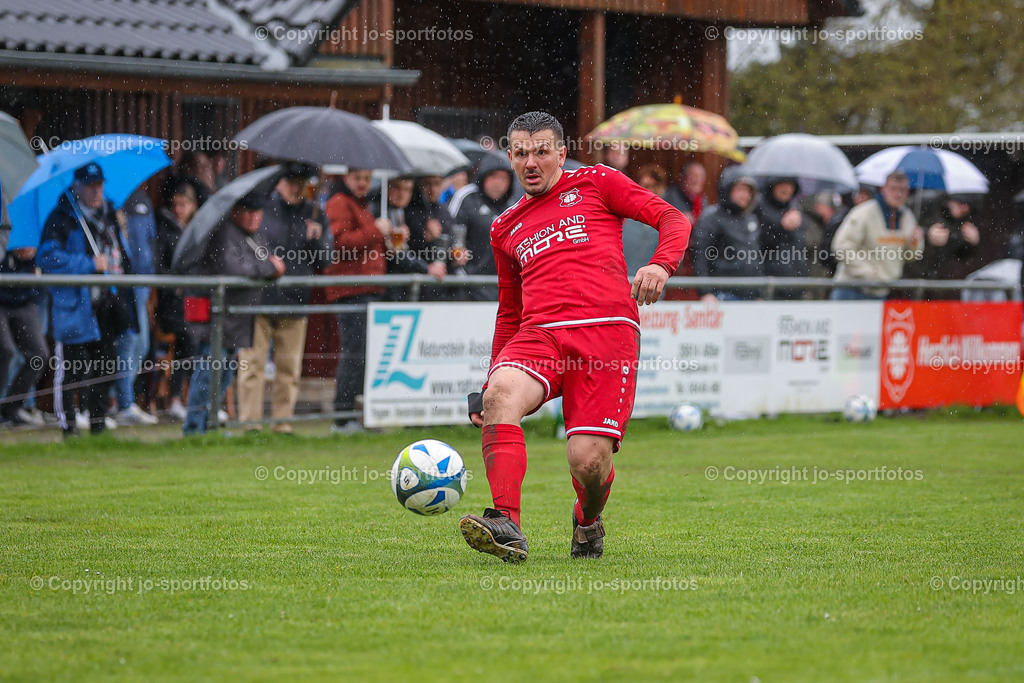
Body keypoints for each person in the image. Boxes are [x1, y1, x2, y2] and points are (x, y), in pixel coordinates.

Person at [459, 111, 690, 563]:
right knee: (501, 395)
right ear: (509, 156)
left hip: (606, 336)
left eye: (542, 151)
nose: (531, 162)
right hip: (539, 334)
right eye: (521, 153)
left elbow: (671, 217)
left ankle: (588, 520)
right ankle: (506, 522)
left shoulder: (597, 182)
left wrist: (661, 264)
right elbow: (510, 312)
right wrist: (490, 379)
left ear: (561, 153)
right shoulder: (504, 226)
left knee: (588, 462)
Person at [38, 163, 137, 437]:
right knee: (72, 370)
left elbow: (121, 255)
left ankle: (98, 426)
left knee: (105, 367)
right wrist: (88, 263)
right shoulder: (61, 218)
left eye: (100, 184)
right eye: (91, 185)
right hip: (75, 308)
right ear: (76, 186)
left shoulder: (110, 215)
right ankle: (68, 428)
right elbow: (47, 258)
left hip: (106, 305)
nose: (96, 190)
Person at [182, 193, 285, 436]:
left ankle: (209, 425)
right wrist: (270, 268)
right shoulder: (223, 233)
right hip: (216, 319)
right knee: (207, 376)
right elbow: (234, 269)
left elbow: (257, 262)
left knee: (224, 376)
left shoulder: (255, 235)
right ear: (236, 211)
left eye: (257, 212)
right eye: (248, 211)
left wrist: (267, 267)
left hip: (236, 321)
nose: (253, 217)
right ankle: (194, 430)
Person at [236, 163, 327, 433]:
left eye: (301, 181)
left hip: (295, 301)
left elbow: (326, 260)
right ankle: (250, 425)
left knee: (289, 368)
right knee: (252, 365)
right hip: (259, 300)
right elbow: (247, 245)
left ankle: (282, 424)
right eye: (291, 181)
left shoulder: (315, 215)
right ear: (279, 182)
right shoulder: (262, 210)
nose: (296, 186)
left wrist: (317, 241)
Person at [323, 169, 395, 433]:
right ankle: (343, 418)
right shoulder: (340, 203)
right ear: (345, 177)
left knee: (363, 355)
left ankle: (355, 415)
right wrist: (377, 230)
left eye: (366, 178)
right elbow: (341, 243)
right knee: (354, 355)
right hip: (351, 290)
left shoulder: (359, 204)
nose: (363, 183)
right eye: (357, 178)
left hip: (365, 288)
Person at [831, 171, 923, 300]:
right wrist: (868, 273)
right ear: (883, 189)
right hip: (852, 288)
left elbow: (912, 256)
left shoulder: (907, 217)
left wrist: (915, 242)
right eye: (893, 189)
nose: (898, 194)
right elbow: (842, 247)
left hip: (881, 291)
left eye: (902, 189)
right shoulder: (863, 213)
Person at [113, 188, 159, 425]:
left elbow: (151, 240)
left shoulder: (142, 198)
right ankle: (123, 403)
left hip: (142, 281)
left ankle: (122, 400)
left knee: (141, 345)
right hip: (121, 283)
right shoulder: (109, 200)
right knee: (128, 342)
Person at [154, 182, 198, 420]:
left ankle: (196, 398)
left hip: (195, 300)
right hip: (173, 304)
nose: (179, 209)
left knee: (199, 340)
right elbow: (159, 268)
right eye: (176, 204)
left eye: (184, 204)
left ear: (193, 206)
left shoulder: (198, 231)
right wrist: (176, 285)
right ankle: (175, 398)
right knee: (187, 340)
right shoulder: (166, 231)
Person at [0, 228, 49, 426]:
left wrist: (32, 260)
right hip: (2, 301)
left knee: (39, 354)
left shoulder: (36, 234)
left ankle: (12, 406)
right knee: (5, 351)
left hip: (24, 301)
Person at [690, 167, 762, 301]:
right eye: (740, 189)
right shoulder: (711, 217)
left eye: (748, 190)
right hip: (722, 295)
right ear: (727, 189)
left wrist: (758, 293)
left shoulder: (751, 219)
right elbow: (700, 256)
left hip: (750, 296)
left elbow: (755, 258)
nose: (744, 195)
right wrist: (705, 292)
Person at [449, 154, 516, 300]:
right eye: (493, 177)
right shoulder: (466, 197)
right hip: (468, 286)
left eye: (503, 178)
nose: (498, 183)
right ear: (483, 177)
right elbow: (451, 229)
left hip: (502, 289)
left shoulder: (513, 206)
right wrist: (455, 253)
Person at [378, 176, 446, 302]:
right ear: (387, 187)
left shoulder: (405, 212)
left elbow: (408, 251)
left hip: (399, 287)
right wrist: (426, 268)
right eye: (397, 187)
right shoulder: (380, 211)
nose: (402, 194)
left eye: (407, 189)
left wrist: (425, 238)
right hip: (385, 287)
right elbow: (395, 255)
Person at [904, 194, 981, 289]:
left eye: (969, 206)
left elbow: (960, 254)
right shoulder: (927, 203)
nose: (965, 208)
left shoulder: (961, 221)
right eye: (961, 203)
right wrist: (926, 235)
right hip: (907, 276)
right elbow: (905, 232)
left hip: (935, 279)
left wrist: (972, 243)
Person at [756, 177, 806, 299]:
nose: (786, 189)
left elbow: (800, 246)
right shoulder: (758, 207)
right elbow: (758, 244)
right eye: (781, 183)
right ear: (772, 186)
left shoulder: (796, 209)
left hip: (795, 284)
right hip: (769, 285)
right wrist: (782, 227)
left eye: (790, 184)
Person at [623, 164, 667, 277]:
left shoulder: (667, 218)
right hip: (627, 282)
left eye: (655, 186)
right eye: (647, 186)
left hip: (655, 287)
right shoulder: (625, 216)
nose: (651, 191)